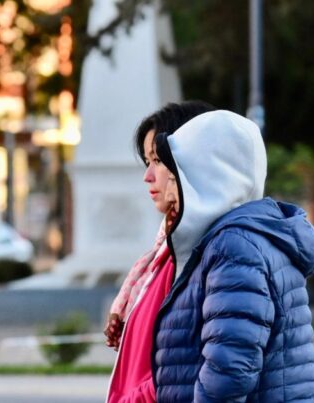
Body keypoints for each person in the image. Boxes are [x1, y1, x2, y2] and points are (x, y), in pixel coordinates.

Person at [151, 110, 314, 401]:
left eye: (178, 169)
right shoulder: (244, 237)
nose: (168, 179)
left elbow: (229, 371)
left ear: (207, 173)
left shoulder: (234, 245)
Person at [105, 101, 215, 402]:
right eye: (146, 162)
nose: (148, 176)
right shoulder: (163, 254)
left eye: (158, 160)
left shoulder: (198, 254)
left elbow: (200, 368)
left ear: (190, 161)